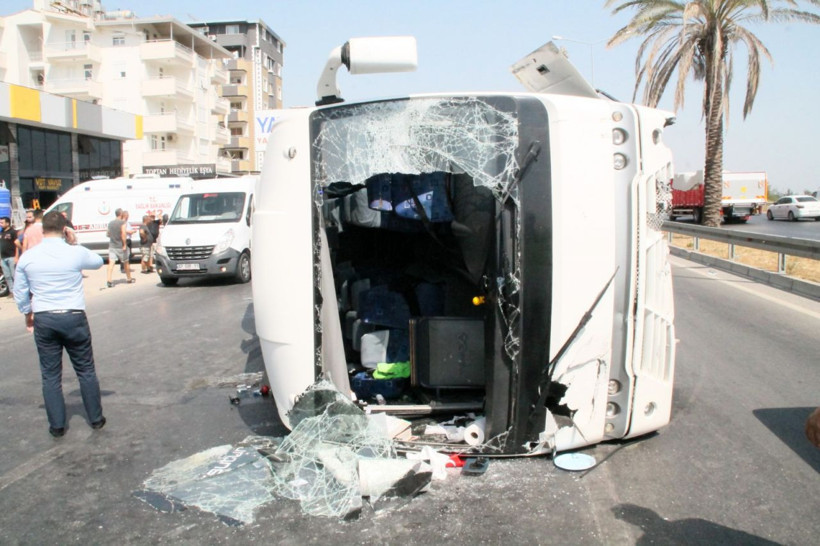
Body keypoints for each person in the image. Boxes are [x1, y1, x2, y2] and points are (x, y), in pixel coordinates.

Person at [13, 211, 106, 438]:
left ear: (42, 229)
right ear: (65, 229)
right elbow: (98, 262)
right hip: (73, 316)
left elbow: (20, 292)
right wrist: (74, 242)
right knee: (85, 369)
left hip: (45, 317)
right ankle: (95, 419)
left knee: (50, 375)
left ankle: (57, 426)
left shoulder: (28, 257)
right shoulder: (74, 252)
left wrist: (27, 313)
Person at [105, 208, 134, 287]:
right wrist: (124, 245)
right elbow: (124, 234)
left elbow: (107, 234)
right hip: (120, 246)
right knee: (126, 262)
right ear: (121, 214)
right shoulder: (122, 223)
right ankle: (128, 278)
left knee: (111, 262)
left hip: (112, 246)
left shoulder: (110, 223)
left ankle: (109, 280)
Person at [1, 216, 18, 292]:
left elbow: (17, 244)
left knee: (14, 275)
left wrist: (16, 256)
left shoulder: (13, 232)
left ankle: (18, 291)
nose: (0, 224)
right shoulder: (1, 232)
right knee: (7, 276)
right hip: (3, 258)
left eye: (2, 222)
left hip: (11, 257)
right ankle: (12, 291)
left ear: (7, 223)